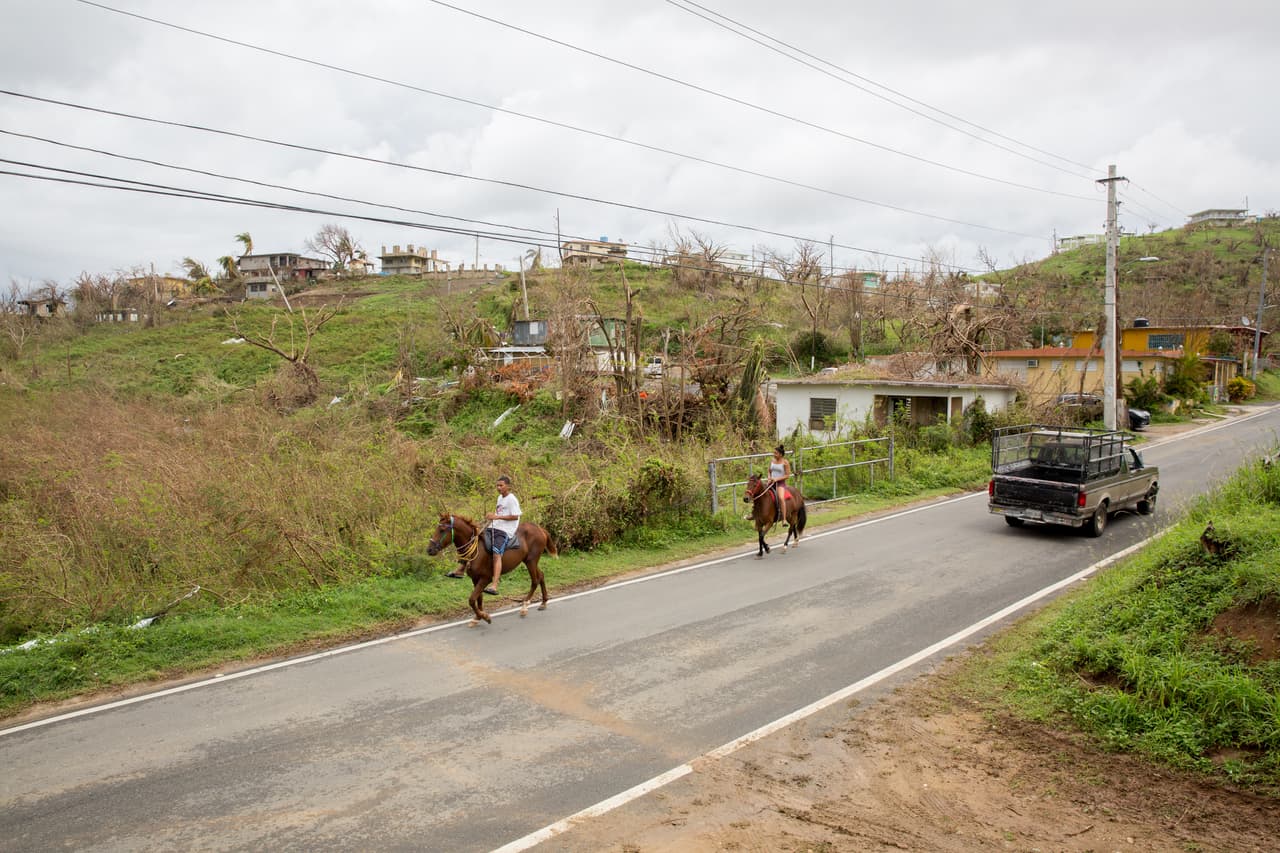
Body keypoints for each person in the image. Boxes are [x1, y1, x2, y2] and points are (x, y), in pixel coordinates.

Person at [484, 475, 521, 596]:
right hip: (494, 527)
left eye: (501, 485)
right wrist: (491, 518)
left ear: (508, 486)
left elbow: (515, 516)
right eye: (497, 485)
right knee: (475, 539)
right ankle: (461, 569)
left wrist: (497, 517)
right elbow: (499, 513)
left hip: (505, 530)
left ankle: (494, 585)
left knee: (496, 554)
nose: (498, 488)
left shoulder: (512, 499)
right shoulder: (500, 498)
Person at [765, 444, 793, 518]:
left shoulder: (785, 462)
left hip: (780, 484)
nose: (774, 454)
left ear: (780, 454)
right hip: (771, 482)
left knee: (780, 497)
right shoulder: (772, 461)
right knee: (760, 493)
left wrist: (777, 479)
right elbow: (769, 471)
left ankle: (783, 518)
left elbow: (787, 475)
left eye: (776, 453)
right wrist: (769, 478)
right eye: (774, 453)